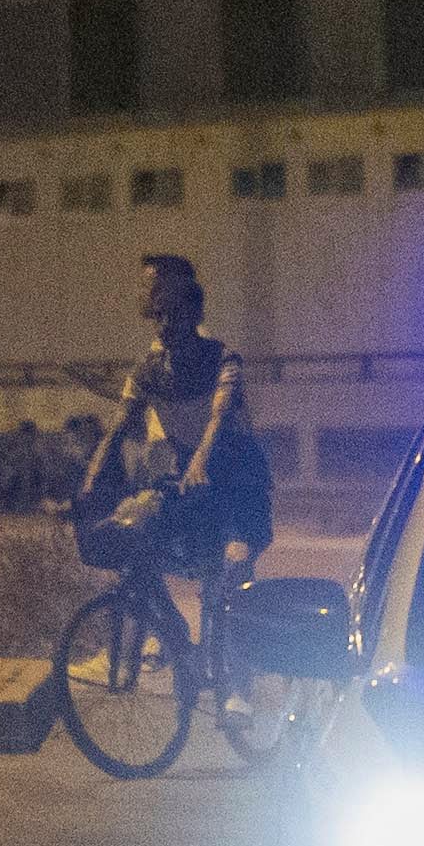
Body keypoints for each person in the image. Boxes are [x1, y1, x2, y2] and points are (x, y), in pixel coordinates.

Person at [78, 253, 273, 630]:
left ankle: (232, 668)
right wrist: (93, 475)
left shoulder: (216, 355)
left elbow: (220, 417)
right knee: (137, 539)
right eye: (157, 312)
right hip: (179, 476)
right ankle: (169, 635)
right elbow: (121, 422)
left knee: (227, 573)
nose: (157, 312)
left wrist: (199, 460)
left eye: (156, 287)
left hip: (231, 479)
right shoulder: (152, 364)